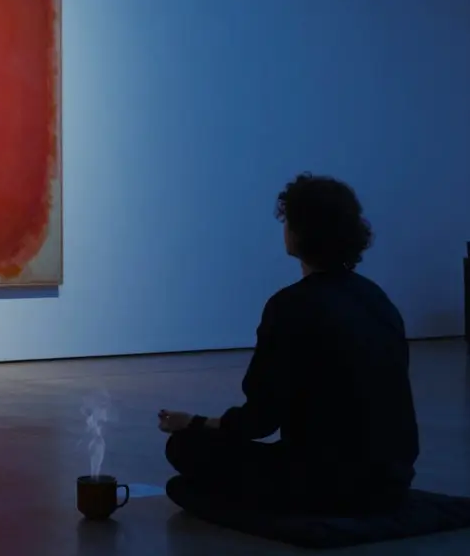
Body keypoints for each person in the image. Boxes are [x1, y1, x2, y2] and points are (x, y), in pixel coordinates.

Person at [158, 173, 419, 520]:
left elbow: (260, 419)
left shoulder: (291, 306)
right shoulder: (377, 299)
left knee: (184, 448)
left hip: (328, 482)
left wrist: (195, 423)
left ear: (297, 232)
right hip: (391, 480)